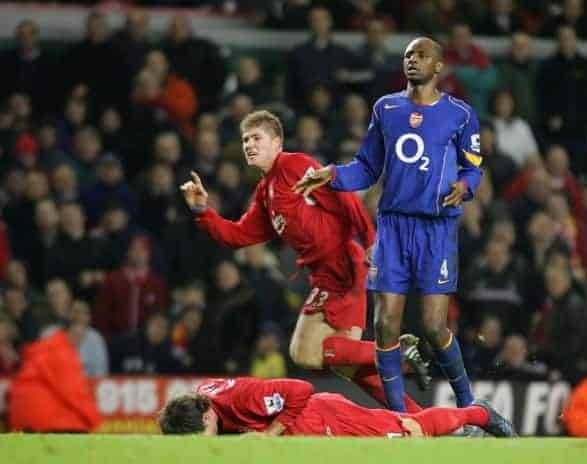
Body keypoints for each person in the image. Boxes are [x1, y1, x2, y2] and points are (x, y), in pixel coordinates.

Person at [179, 110, 429, 411]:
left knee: (304, 352)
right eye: (245, 139)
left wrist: (373, 240)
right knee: (350, 366)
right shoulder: (265, 192)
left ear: (276, 142)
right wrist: (202, 211)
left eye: (256, 138)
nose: (248, 145)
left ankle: (397, 352)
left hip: (342, 266)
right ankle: (419, 421)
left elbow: (344, 196)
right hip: (327, 273)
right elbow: (238, 236)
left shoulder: (294, 165)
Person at [294, 37, 482, 416]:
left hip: (436, 228)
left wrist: (464, 187)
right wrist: (331, 174)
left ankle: (469, 405)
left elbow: (473, 167)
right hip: (394, 227)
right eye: (408, 54)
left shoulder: (460, 114)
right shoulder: (386, 108)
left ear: (439, 66)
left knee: (432, 325)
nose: (412, 60)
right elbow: (367, 167)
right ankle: (399, 420)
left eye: (421, 54)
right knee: (384, 325)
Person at [158, 377, 517, 438]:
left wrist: (269, 435)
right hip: (312, 426)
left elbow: (299, 388)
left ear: (207, 416)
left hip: (324, 420)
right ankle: (465, 438)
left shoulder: (241, 401)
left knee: (411, 430)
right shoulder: (200, 401)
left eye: (199, 435)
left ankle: (479, 413)